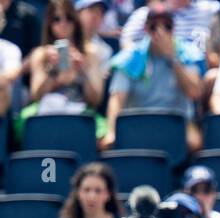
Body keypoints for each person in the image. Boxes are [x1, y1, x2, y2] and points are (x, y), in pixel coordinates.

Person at [102, 5, 206, 152]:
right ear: (145, 29)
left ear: (173, 29)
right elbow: (117, 99)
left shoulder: (187, 53)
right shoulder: (131, 57)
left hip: (178, 121)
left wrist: (172, 59)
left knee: (194, 142)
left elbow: (194, 93)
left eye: (167, 26)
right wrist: (111, 131)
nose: (160, 32)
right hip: (138, 122)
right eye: (154, 27)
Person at [17, 0, 106, 141]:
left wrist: (82, 69)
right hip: (46, 110)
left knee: (103, 137)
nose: (63, 24)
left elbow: (95, 100)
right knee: (25, 124)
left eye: (69, 18)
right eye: (57, 19)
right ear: (49, 23)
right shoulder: (41, 54)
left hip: (80, 109)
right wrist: (53, 73)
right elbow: (36, 95)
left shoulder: (90, 53)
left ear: (75, 21)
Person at [75, 0, 114, 70]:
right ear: (78, 13)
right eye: (91, 10)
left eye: (100, 13)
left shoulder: (105, 50)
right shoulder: (63, 39)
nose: (95, 16)